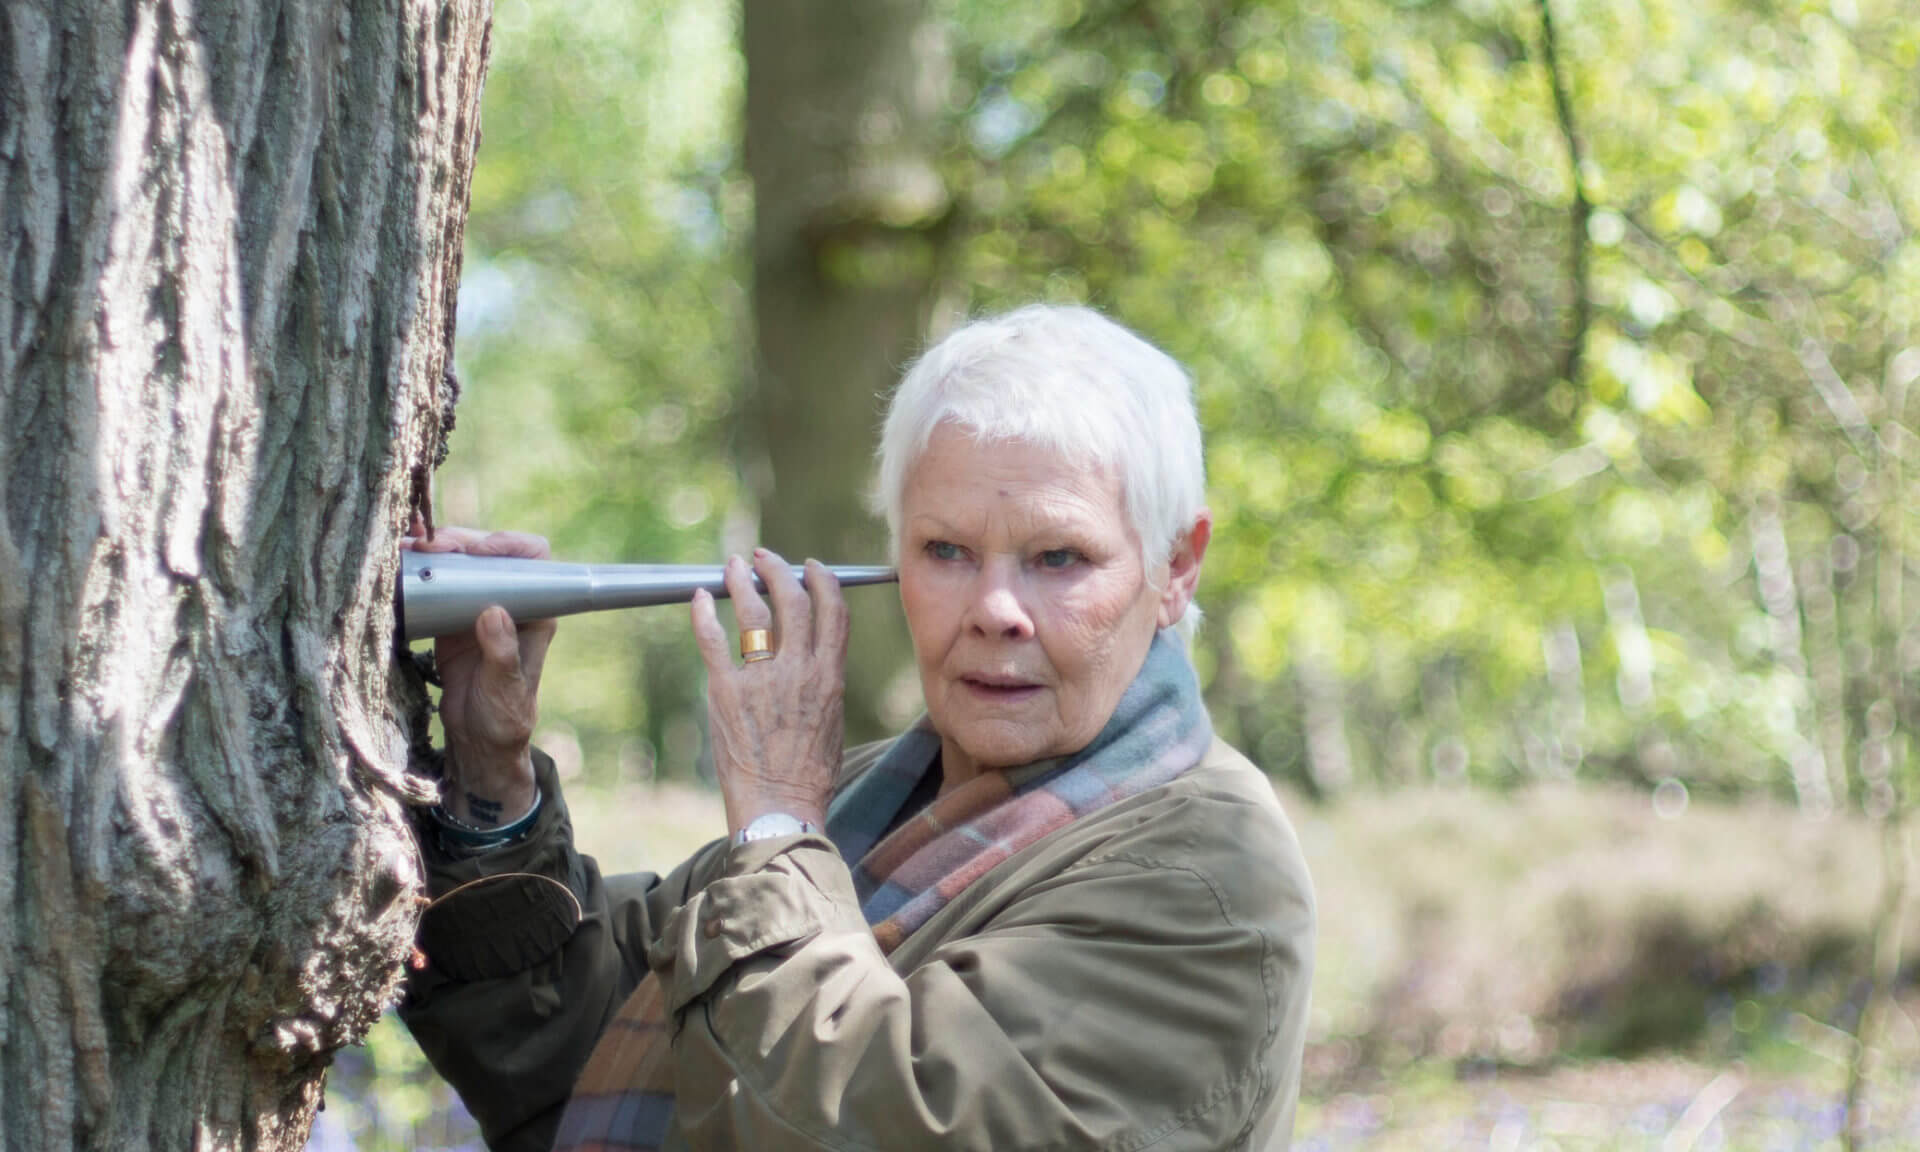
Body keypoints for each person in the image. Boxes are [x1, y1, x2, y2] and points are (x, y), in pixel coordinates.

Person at [400, 304, 1316, 1152]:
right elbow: (575, 1046)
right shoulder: (862, 796)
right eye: (946, 550)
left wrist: (774, 823)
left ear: (1178, 568)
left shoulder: (1209, 873)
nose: (996, 608)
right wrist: (492, 778)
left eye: (1059, 557)